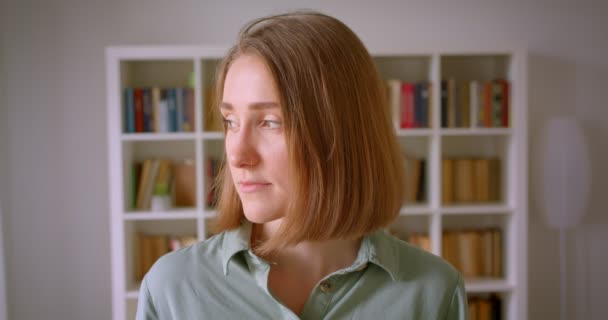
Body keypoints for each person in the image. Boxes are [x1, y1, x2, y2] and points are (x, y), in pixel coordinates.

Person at [137, 11, 468, 320]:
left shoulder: (434, 291)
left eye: (270, 122)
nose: (237, 156)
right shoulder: (172, 289)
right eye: (230, 121)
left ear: (342, 133)